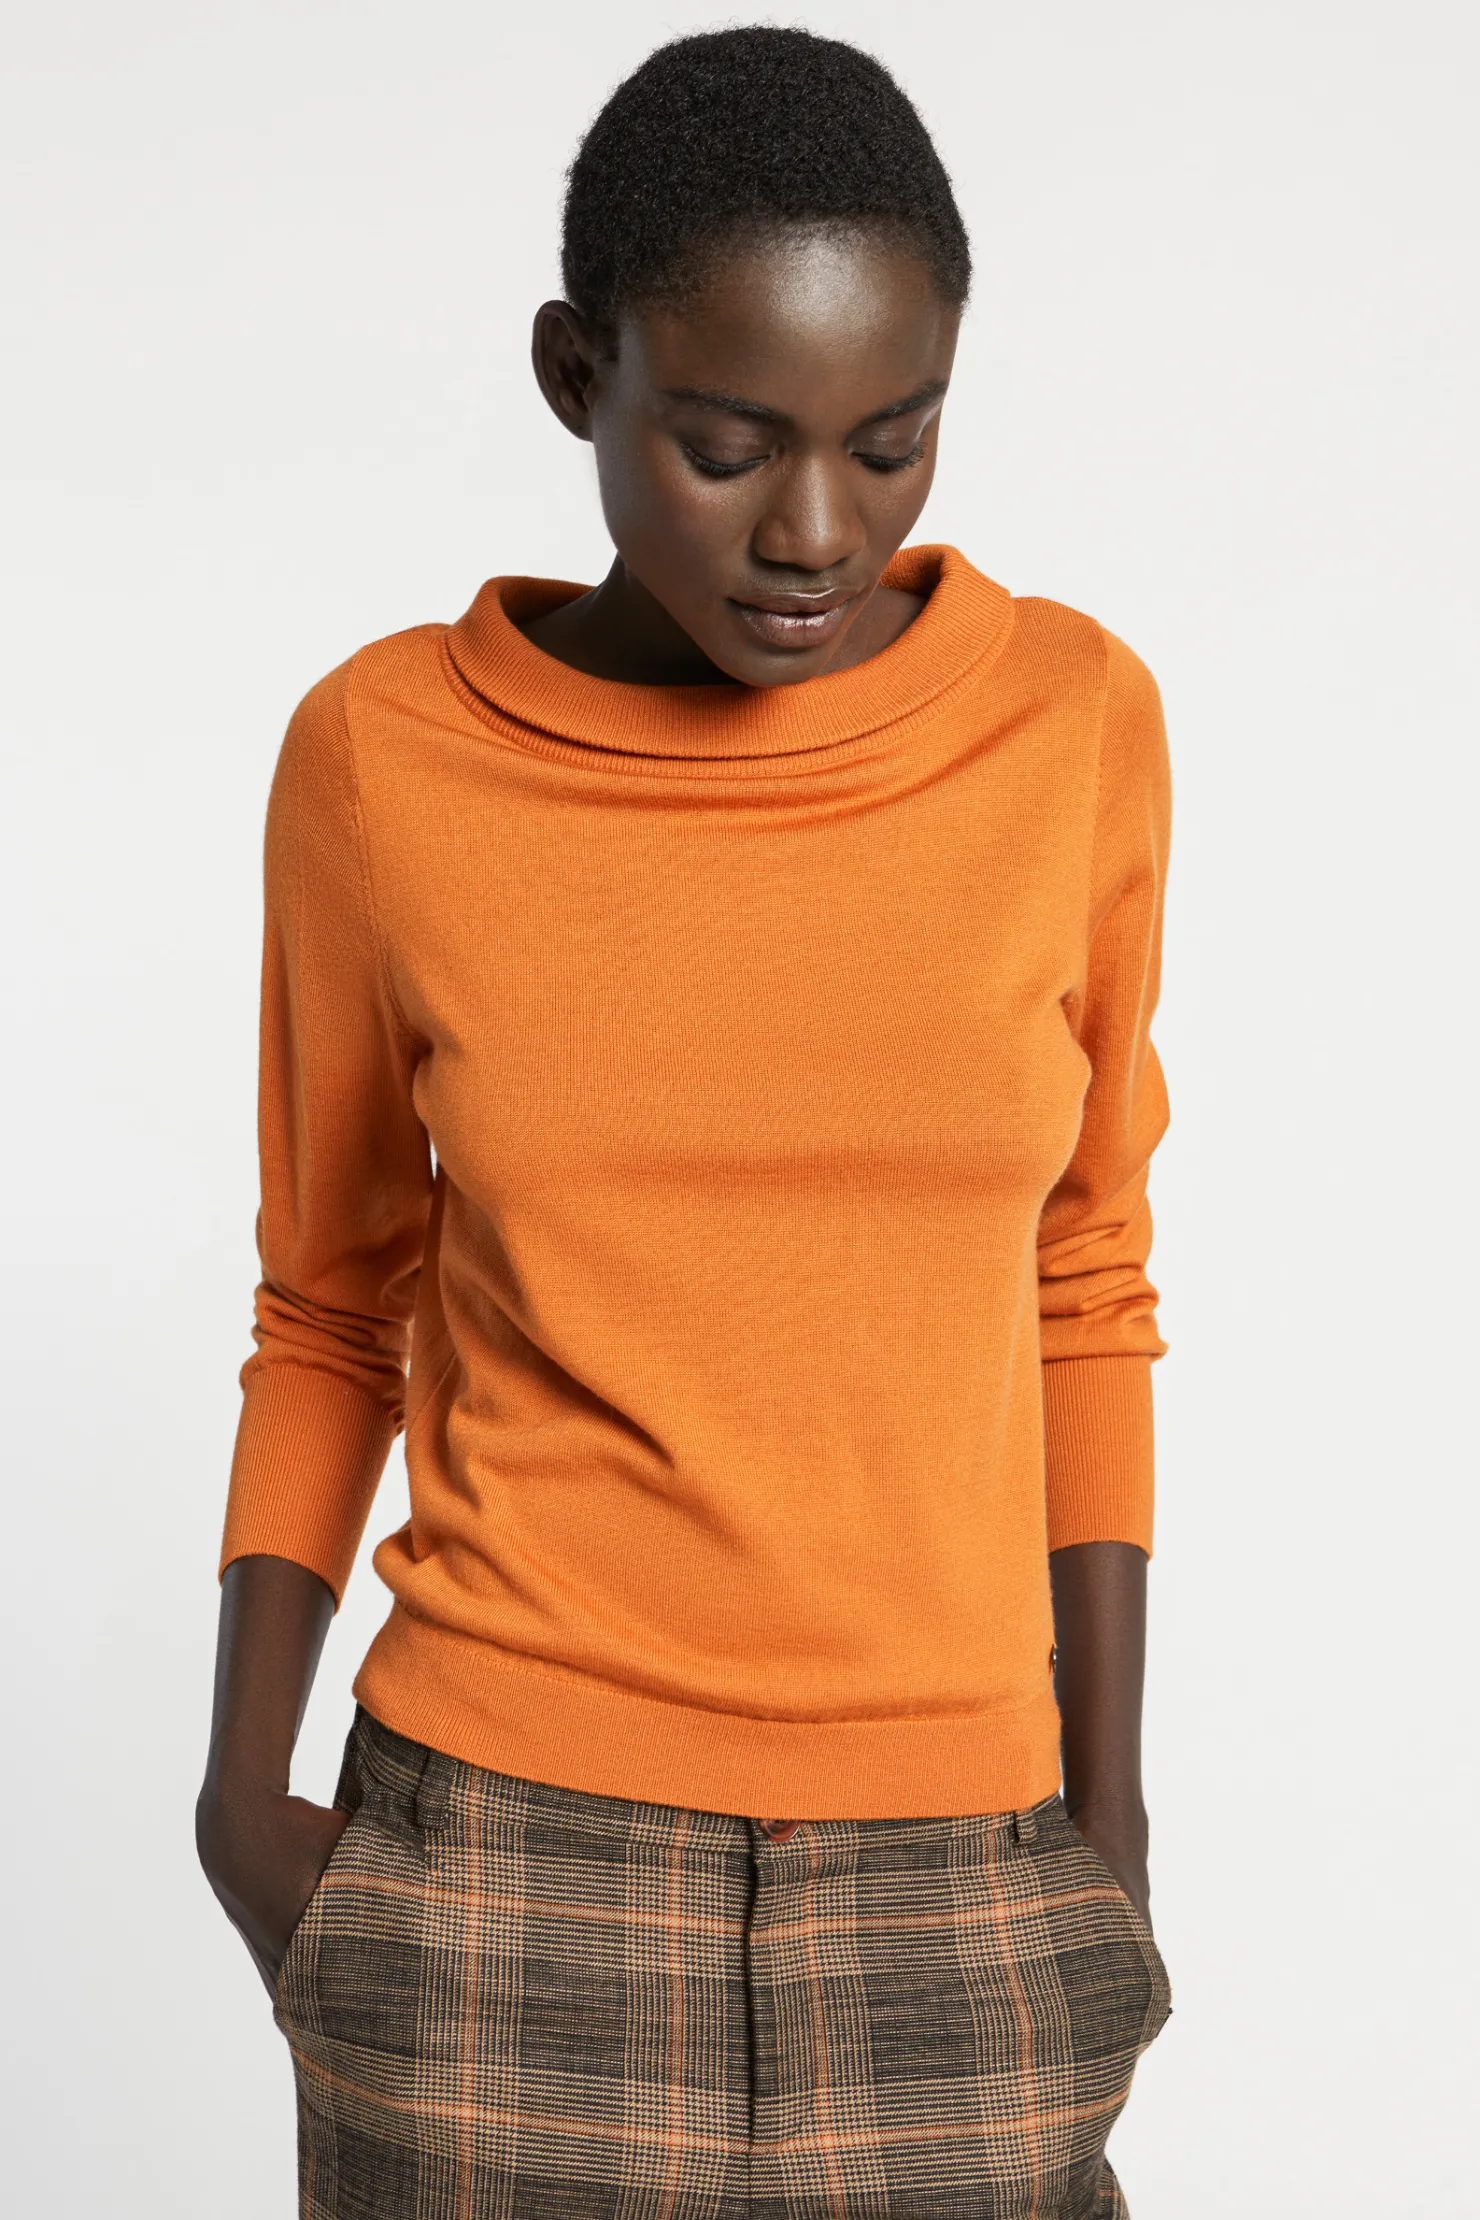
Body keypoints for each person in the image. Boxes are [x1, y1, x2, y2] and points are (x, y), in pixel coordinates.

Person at [196, 26, 1174, 2218]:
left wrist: (1104, 1834)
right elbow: (329, 1298)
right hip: (491, 1873)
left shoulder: (1073, 731)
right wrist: (243, 1804)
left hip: (966, 1875)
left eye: (893, 442)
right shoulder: (382, 762)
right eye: (726, 446)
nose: (815, 531)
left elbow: (1085, 1271)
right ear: (579, 374)